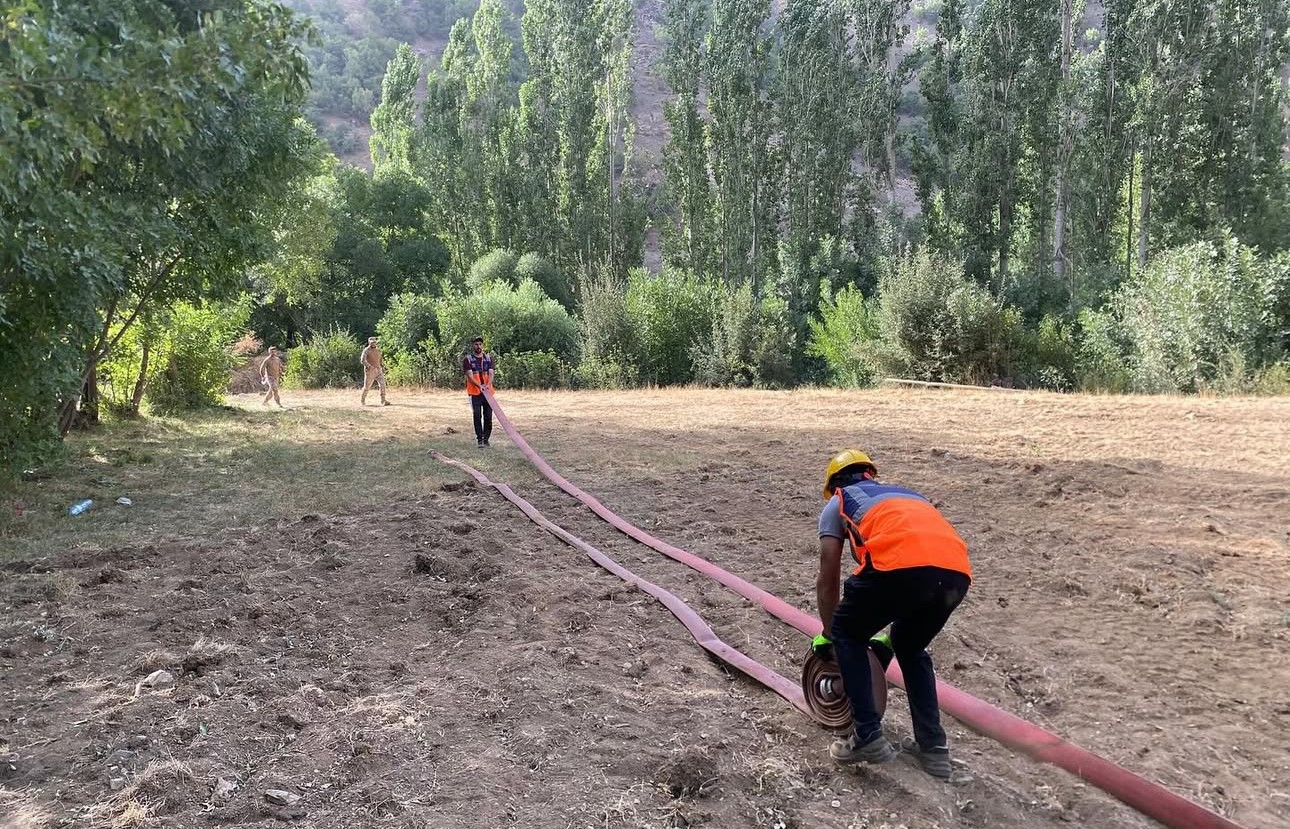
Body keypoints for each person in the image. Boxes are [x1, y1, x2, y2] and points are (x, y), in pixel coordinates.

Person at [813, 449, 972, 779]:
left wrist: (830, 634)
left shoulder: (839, 501)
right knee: (910, 646)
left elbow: (828, 577)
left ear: (833, 484)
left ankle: (867, 735)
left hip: (900, 568)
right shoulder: (906, 495)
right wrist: (888, 641)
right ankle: (934, 749)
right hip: (955, 573)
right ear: (869, 474)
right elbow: (918, 571)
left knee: (847, 633)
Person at [462, 336, 494, 448]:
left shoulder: (489, 358)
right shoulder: (468, 359)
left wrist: (488, 385)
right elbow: (470, 376)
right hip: (475, 392)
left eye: (480, 344)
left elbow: (491, 373)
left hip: (488, 393)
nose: (478, 346)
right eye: (476, 344)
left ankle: (486, 439)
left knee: (488, 417)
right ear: (472, 346)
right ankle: (480, 439)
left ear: (482, 345)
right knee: (477, 415)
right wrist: (480, 386)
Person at [360, 336, 389, 406]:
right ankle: (362, 400)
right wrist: (369, 366)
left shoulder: (378, 350)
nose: (373, 343)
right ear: (369, 343)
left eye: (374, 342)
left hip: (379, 370)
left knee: (383, 385)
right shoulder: (366, 350)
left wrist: (382, 366)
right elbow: (362, 360)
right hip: (370, 371)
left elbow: (380, 359)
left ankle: (383, 400)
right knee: (367, 387)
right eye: (372, 342)